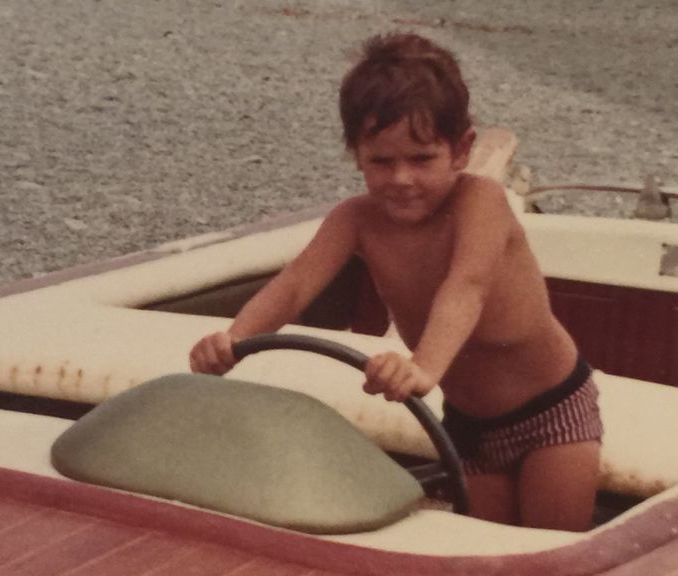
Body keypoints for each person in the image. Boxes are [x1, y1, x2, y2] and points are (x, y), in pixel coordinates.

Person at [188, 32, 602, 531]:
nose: (401, 178)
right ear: (356, 155)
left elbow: (467, 286)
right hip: (470, 426)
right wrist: (233, 341)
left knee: (551, 549)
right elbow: (296, 285)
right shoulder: (356, 219)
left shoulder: (481, 203)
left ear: (461, 149)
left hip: (551, 411)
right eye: (382, 161)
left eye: (421, 159)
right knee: (485, 548)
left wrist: (422, 367)